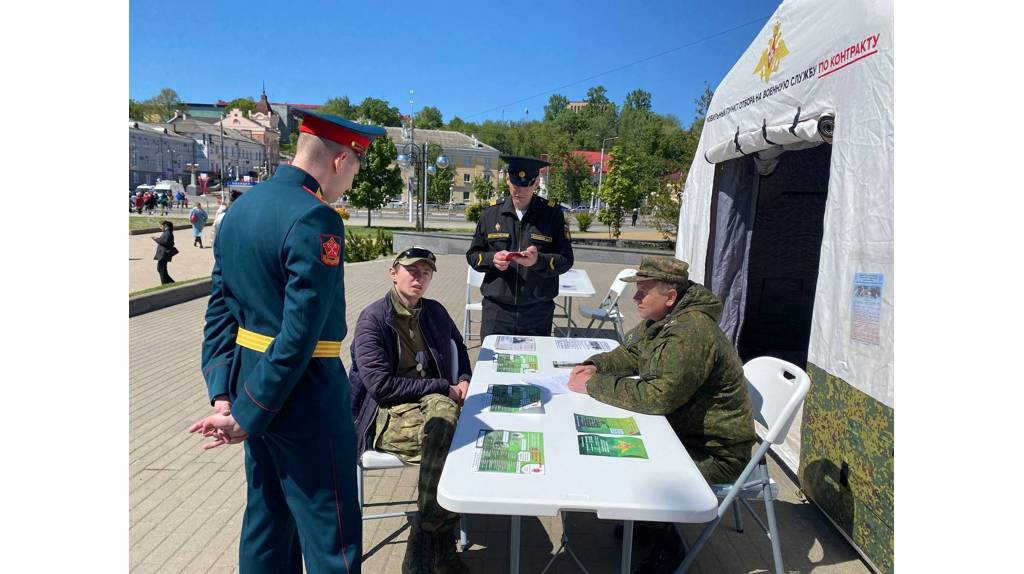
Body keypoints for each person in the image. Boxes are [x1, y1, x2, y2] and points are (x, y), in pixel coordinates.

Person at [188, 109, 386, 573]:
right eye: (356, 167)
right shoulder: (316, 219)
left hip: (250, 386)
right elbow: (300, 335)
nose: (352, 181)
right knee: (330, 534)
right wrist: (247, 411)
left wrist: (225, 394)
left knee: (268, 521)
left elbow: (220, 307)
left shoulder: (240, 210)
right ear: (340, 161)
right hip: (305, 395)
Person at [566, 255, 756, 573]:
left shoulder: (691, 332)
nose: (636, 297)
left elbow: (658, 399)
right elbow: (632, 352)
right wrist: (597, 364)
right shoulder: (665, 319)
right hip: (682, 434)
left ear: (670, 296)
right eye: (638, 289)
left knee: (637, 468)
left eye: (644, 290)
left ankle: (669, 549)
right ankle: (651, 523)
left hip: (713, 451)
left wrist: (594, 386)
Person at [349, 247, 472, 573]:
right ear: (393, 272)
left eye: (426, 272)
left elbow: (459, 347)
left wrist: (463, 378)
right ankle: (437, 539)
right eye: (411, 271)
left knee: (455, 430)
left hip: (435, 401)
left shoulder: (435, 311)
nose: (419, 278)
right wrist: (442, 387)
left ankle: (426, 531)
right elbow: (380, 387)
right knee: (449, 438)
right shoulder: (373, 319)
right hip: (386, 411)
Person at [465, 155, 574, 338]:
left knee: (536, 365)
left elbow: (566, 260)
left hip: (537, 312)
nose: (520, 190)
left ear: (536, 183)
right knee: (493, 365)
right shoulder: (491, 213)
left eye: (527, 185)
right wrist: (493, 259)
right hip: (497, 311)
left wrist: (538, 261)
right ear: (507, 179)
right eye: (515, 183)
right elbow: (473, 255)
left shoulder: (552, 215)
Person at [151, 220, 178, 284]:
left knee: (161, 269)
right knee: (161, 269)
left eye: (161, 226)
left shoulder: (168, 232)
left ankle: (164, 283)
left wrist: (156, 239)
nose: (160, 227)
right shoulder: (167, 232)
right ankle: (170, 282)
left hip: (164, 253)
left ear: (165, 225)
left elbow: (166, 242)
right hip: (163, 253)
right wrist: (158, 239)